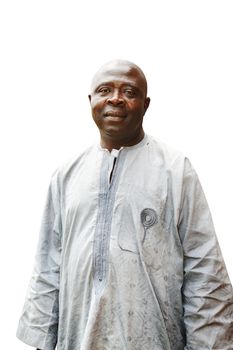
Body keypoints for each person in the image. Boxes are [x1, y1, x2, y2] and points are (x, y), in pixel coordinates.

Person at [17, 59, 233, 350]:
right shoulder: (67, 175)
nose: (116, 98)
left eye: (129, 92)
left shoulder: (175, 170)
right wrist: (43, 341)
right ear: (90, 100)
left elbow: (204, 268)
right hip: (77, 339)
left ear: (145, 104)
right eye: (105, 90)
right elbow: (47, 268)